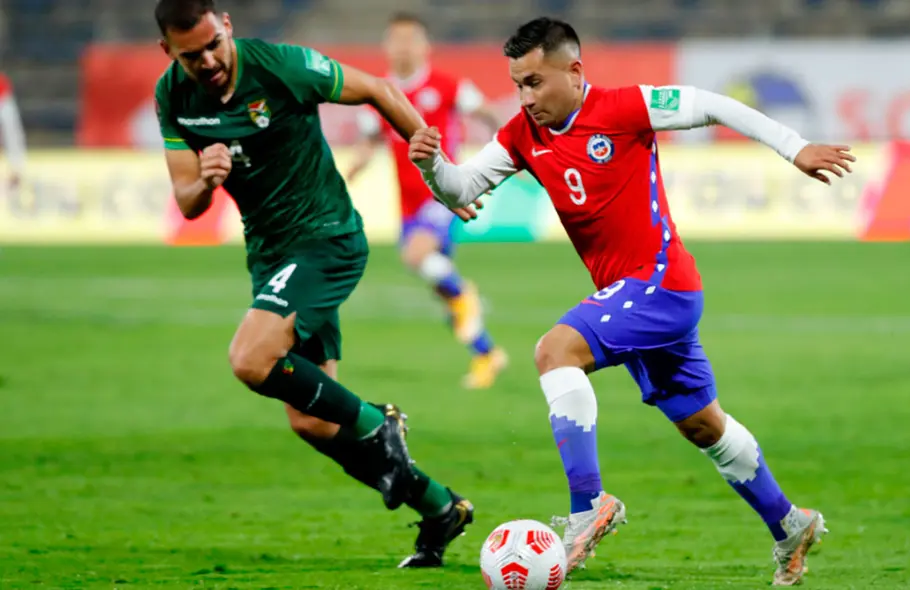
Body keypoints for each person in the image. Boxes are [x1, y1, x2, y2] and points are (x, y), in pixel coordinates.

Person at [409, 17, 856, 586]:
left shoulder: (625, 109)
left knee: (554, 352)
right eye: (518, 84)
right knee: (701, 425)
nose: (525, 97)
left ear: (574, 72)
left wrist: (795, 149)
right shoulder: (524, 132)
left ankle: (587, 506)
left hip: (661, 282)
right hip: (631, 295)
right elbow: (462, 189)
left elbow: (717, 104)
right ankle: (790, 523)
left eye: (535, 82)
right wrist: (431, 164)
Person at [152, 0, 475, 568]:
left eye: (212, 45)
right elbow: (187, 200)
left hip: (326, 237)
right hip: (270, 254)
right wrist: (206, 180)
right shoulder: (171, 96)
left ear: (227, 26)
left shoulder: (281, 66)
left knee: (251, 360)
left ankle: (381, 422)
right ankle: (439, 508)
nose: (206, 61)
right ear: (168, 52)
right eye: (190, 54)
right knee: (311, 420)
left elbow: (378, 88)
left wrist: (439, 174)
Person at [345, 13, 508, 390]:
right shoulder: (380, 92)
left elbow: (486, 114)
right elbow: (371, 139)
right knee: (443, 292)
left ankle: (466, 294)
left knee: (416, 256)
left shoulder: (447, 86)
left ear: (424, 46)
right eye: (396, 40)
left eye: (410, 40)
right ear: (387, 46)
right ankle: (486, 353)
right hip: (407, 205)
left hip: (444, 196)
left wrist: (507, 152)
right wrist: (358, 164)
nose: (403, 47)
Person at [0, 72, 26, 191]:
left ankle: (16, 172)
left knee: (12, 135)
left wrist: (16, 169)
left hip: (2, 96)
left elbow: (13, 137)